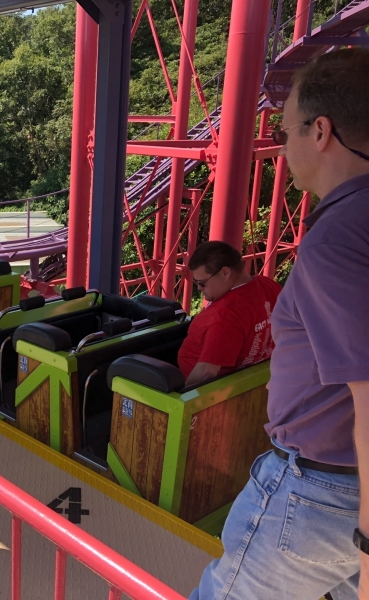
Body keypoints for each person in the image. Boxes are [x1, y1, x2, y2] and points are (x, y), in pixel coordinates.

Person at [190, 48, 369, 600]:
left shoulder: (337, 239)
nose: (282, 145)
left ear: (321, 131)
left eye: (285, 130)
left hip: (320, 491)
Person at [177, 241, 281, 387]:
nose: (199, 288)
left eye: (202, 283)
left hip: (211, 391)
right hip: (259, 379)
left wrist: (181, 397)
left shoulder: (225, 316)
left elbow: (206, 372)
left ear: (225, 273)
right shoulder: (267, 284)